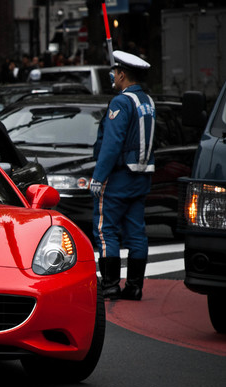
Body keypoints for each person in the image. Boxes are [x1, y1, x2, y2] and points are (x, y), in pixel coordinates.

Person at [89, 50, 155, 301]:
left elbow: (112, 143)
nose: (113, 76)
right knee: (137, 232)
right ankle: (135, 286)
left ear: (123, 74)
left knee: (106, 231)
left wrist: (98, 176)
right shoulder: (148, 101)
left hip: (117, 178)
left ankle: (110, 285)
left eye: (116, 72)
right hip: (141, 177)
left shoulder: (121, 102)